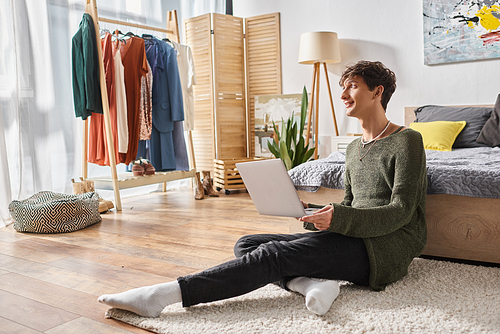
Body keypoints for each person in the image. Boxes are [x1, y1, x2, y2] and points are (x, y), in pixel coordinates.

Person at [98, 60, 427, 317]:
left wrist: (338, 220)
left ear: (377, 91)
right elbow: (353, 204)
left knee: (273, 255)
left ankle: (164, 296)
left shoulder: (407, 141)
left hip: (383, 250)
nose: (342, 96)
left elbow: (401, 212)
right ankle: (309, 283)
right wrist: (316, 212)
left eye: (351, 87)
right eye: (342, 88)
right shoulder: (354, 149)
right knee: (248, 243)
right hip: (352, 237)